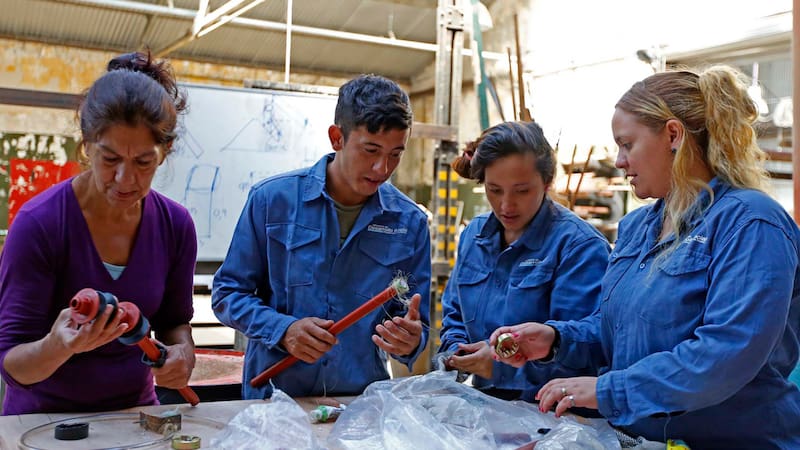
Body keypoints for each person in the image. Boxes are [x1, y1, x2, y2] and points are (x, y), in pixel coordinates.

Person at [490, 66, 800, 448]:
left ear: (673, 135)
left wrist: (610, 391)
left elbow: (727, 352)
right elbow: (622, 332)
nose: (619, 161)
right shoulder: (638, 226)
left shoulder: (750, 223)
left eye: (627, 144)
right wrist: (556, 339)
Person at [0, 51, 197, 415]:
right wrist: (58, 347)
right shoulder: (40, 224)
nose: (125, 179)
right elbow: (12, 364)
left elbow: (174, 322)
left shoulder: (176, 226)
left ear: (165, 153)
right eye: (109, 159)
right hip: (42, 423)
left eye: (143, 162)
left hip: (135, 417)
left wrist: (183, 354)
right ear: (87, 144)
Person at [212, 74, 431, 400]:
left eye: (395, 154)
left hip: (358, 404)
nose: (382, 168)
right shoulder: (272, 201)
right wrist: (283, 330)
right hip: (274, 399)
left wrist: (410, 341)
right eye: (370, 150)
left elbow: (414, 322)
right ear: (336, 138)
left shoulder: (410, 223)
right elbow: (228, 293)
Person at [439, 121, 610, 401]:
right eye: (495, 190)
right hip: (484, 405)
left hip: (551, 413)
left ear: (547, 182)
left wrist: (500, 368)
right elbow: (454, 313)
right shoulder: (474, 235)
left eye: (522, 191)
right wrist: (457, 352)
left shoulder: (579, 247)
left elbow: (586, 349)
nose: (506, 205)